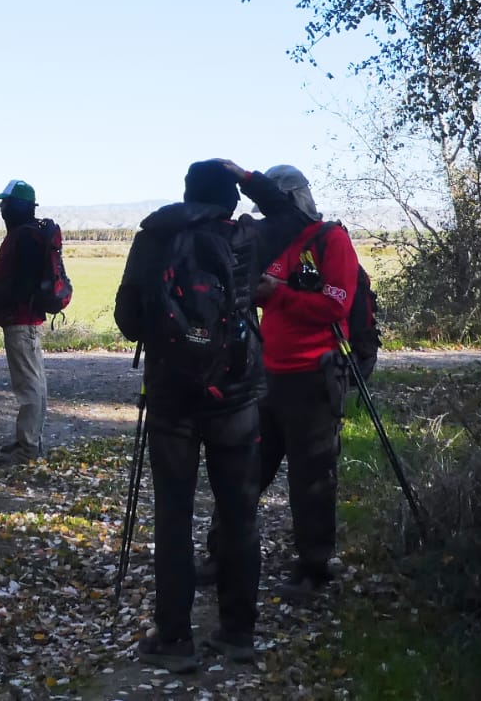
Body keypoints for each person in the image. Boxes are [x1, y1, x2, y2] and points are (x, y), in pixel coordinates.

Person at [113, 160, 267, 672]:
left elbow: (129, 320)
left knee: (174, 517)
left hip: (172, 394)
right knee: (239, 512)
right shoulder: (247, 235)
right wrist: (251, 178)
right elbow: (292, 219)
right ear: (233, 197)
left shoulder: (156, 235)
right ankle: (238, 632)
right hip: (237, 392)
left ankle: (175, 637)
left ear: (185, 192)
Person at [238, 163, 359, 598]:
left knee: (312, 477)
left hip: (313, 377)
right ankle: (226, 552)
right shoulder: (273, 243)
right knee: (248, 471)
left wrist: (279, 295)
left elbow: (336, 306)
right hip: (268, 377)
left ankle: (314, 567)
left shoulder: (332, 240)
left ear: (296, 200)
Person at [0, 178, 50, 465]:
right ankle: (29, 440)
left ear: (16, 206)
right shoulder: (30, 234)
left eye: (5, 203)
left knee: (28, 385)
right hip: (26, 319)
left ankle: (28, 447)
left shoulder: (23, 237)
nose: (1, 207)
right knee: (33, 381)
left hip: (21, 319)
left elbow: (22, 286)